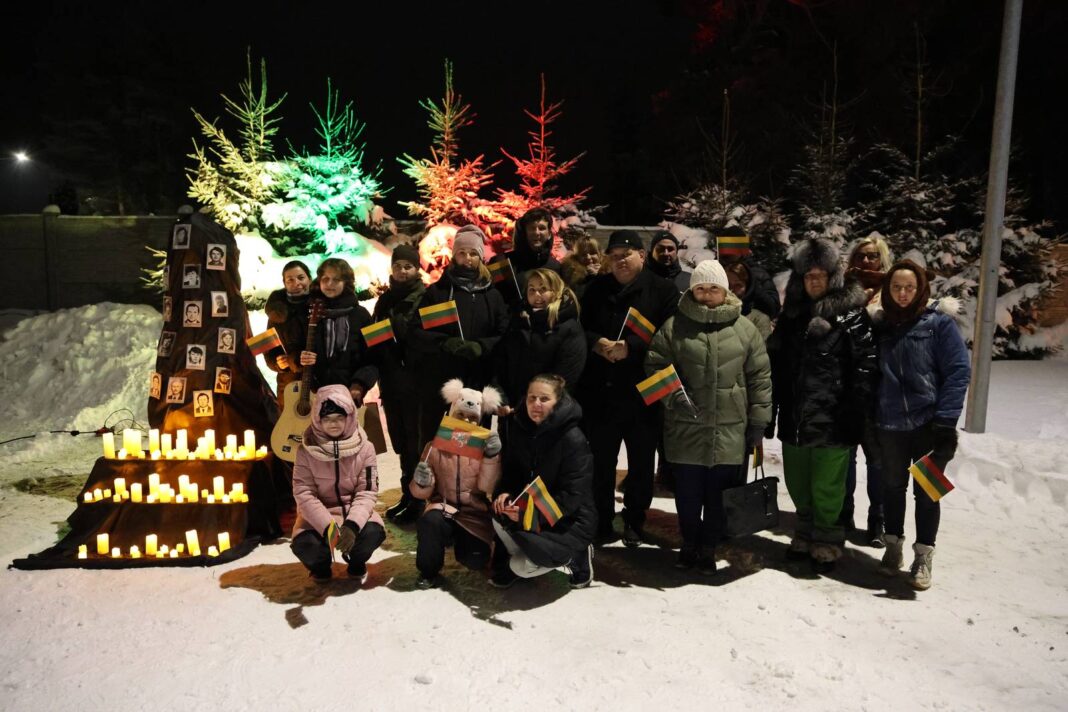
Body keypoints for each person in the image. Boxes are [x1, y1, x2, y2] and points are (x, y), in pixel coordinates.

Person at [645, 260, 772, 573]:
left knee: (718, 496)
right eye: (700, 288)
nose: (706, 294)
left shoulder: (745, 329)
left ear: (725, 290)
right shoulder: (674, 327)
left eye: (713, 288)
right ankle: (689, 543)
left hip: (729, 430)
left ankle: (708, 548)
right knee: (687, 495)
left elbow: (760, 378)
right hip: (685, 427)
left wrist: (759, 422)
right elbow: (654, 366)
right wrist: (674, 397)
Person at [767, 238, 877, 572]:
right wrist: (772, 412)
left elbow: (866, 367)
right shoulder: (791, 317)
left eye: (821, 275)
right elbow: (778, 368)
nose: (814, 281)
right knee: (798, 481)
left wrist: (855, 414)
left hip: (833, 420)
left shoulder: (852, 316)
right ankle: (803, 532)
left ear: (833, 277)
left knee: (827, 485)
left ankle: (827, 539)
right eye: (808, 275)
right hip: (796, 419)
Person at [577, 229, 680, 547]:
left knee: (641, 463)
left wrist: (631, 347)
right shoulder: (595, 289)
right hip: (602, 393)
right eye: (614, 256)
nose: (620, 261)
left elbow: (670, 335)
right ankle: (602, 520)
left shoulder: (663, 290)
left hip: (643, 394)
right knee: (601, 463)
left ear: (642, 255)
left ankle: (635, 519)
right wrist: (596, 343)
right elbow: (580, 328)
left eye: (627, 254)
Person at [873, 260, 970, 590]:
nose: (902, 293)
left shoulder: (938, 324)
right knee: (891, 488)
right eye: (896, 287)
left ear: (921, 290)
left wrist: (945, 422)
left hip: (928, 424)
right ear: (888, 290)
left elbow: (958, 372)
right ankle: (893, 547)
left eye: (909, 287)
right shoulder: (881, 326)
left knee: (927, 492)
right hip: (889, 426)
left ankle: (924, 555)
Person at [407, 224, 508, 452]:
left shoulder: (492, 295)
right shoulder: (438, 292)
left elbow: (503, 333)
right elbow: (416, 331)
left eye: (473, 253)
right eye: (462, 253)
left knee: (468, 449)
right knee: (435, 446)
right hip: (441, 382)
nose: (467, 258)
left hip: (476, 381)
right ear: (454, 256)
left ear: (481, 257)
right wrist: (444, 343)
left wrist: (482, 346)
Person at [490, 374, 596, 589]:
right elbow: (511, 471)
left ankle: (577, 556)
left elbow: (572, 496)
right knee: (497, 513)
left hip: (569, 519)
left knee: (520, 565)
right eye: (532, 398)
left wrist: (529, 516)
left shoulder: (573, 438)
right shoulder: (518, 428)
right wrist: (505, 493)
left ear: (558, 402)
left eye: (544, 399)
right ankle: (526, 556)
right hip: (531, 507)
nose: (536, 404)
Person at [409, 380, 503, 589]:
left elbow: (488, 487)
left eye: (472, 418)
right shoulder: (434, 446)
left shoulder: (484, 447)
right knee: (430, 522)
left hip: (473, 513)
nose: (466, 421)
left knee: (475, 560)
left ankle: (463, 542)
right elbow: (420, 493)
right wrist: (421, 482)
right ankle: (428, 571)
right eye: (460, 415)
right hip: (442, 506)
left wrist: (492, 457)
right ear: (452, 414)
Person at [290, 385, 386, 583]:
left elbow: (367, 491)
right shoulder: (305, 451)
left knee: (373, 533)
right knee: (305, 544)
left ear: (349, 417)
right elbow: (304, 494)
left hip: (353, 512)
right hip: (319, 516)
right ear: (318, 420)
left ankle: (356, 561)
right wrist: (328, 528)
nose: (333, 424)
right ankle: (321, 567)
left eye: (339, 418)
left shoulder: (365, 448)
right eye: (327, 419)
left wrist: (352, 526)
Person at [842, 234, 894, 545]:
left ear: (882, 259)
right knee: (845, 457)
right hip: (847, 389)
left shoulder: (893, 291)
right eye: (861, 255)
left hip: (880, 391)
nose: (866, 260)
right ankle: (844, 513)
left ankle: (879, 519)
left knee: (877, 460)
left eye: (873, 255)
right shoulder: (843, 289)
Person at [371, 244, 428, 525]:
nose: (403, 271)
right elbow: (373, 336)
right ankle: (408, 495)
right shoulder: (385, 301)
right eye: (398, 266)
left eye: (408, 266)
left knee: (417, 444)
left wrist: (404, 336)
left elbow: (430, 338)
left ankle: (420, 499)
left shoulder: (426, 297)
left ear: (417, 269)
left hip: (418, 384)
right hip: (392, 383)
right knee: (402, 444)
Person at [493, 268, 586, 408]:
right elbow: (501, 361)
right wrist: (501, 399)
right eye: (532, 289)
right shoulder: (518, 320)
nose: (536, 294)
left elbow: (565, 379)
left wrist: (530, 406)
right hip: (510, 407)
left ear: (556, 292)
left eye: (543, 289)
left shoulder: (569, 328)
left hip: (543, 409)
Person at [297, 258, 378, 405]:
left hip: (348, 394)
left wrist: (359, 384)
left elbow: (374, 357)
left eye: (336, 279)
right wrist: (299, 357)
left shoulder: (362, 315)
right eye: (325, 279)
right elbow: (296, 348)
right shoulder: (309, 313)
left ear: (346, 282)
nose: (329, 284)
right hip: (314, 395)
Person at [491, 207, 562, 308]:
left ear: (549, 234)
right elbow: (490, 300)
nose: (537, 232)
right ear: (525, 232)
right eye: (532, 228)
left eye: (542, 228)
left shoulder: (556, 267)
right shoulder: (501, 263)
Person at [264, 261, 312, 406]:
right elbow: (268, 350)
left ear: (309, 279)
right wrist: (277, 363)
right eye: (290, 280)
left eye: (301, 278)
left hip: (319, 383)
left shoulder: (321, 306)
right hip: (289, 384)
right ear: (284, 283)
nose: (296, 283)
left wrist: (294, 359)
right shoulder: (276, 313)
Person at [715, 225, 781, 319]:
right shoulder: (713, 272)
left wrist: (752, 286)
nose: (728, 255)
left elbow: (773, 309)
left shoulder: (757, 274)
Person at [726, 262, 773, 340]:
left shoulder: (758, 319)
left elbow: (763, 346)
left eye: (738, 285)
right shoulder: (712, 314)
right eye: (728, 284)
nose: (731, 290)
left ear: (747, 287)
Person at [560, 236, 603, 300]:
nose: (588, 257)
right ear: (578, 257)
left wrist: (600, 276)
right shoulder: (570, 274)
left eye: (592, 253)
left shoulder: (610, 272)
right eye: (584, 254)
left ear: (599, 255)